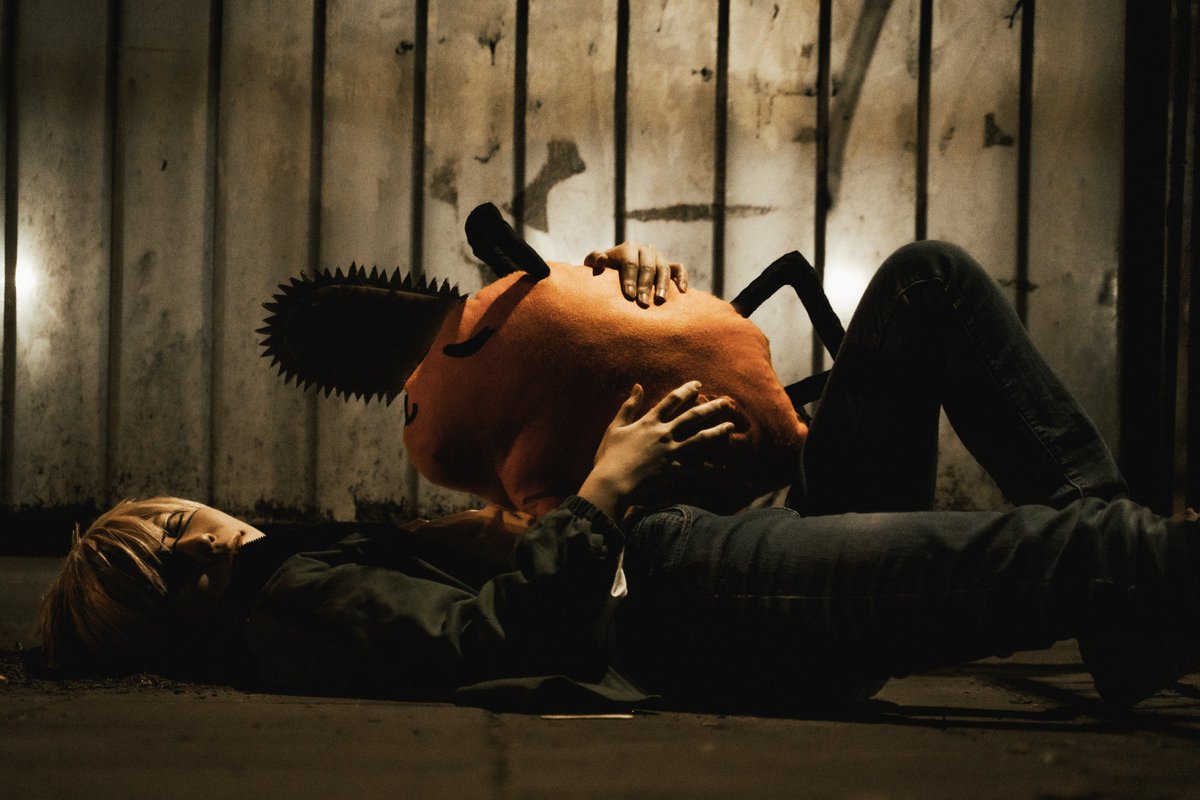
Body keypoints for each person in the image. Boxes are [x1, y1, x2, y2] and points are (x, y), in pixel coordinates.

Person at [38, 240, 1199, 713]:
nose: (201, 538)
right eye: (167, 560)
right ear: (170, 617)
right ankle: (1152, 581)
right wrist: (605, 492)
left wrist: (638, 298)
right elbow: (495, 637)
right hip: (693, 597)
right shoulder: (281, 596)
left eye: (174, 521)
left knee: (926, 283)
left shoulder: (305, 582)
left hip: (701, 556)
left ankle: (1131, 619)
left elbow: (496, 560)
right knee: (1059, 553)